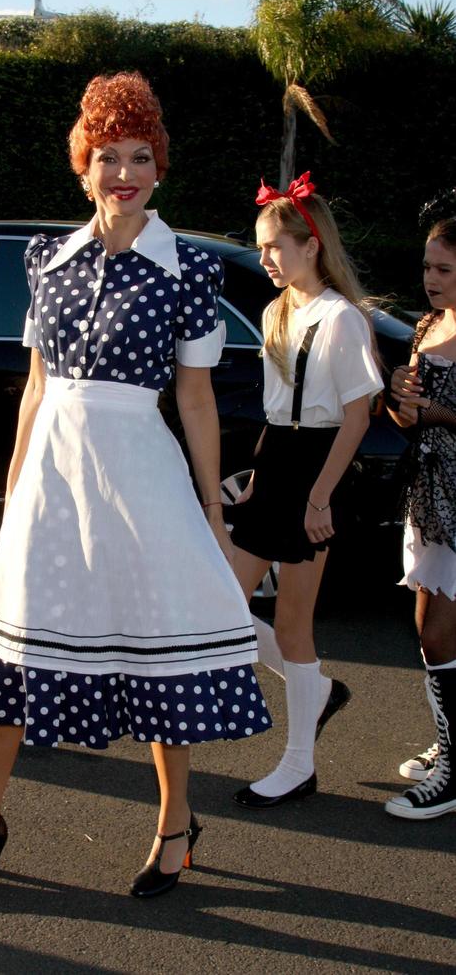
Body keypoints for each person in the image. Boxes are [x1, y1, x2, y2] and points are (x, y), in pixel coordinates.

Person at [0, 71, 270, 897]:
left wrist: (212, 507)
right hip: (52, 484)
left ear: (160, 168)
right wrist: (14, 493)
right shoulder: (47, 261)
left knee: (155, 657)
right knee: (14, 653)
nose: (124, 172)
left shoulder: (188, 272)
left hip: (140, 478)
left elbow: (196, 396)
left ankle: (176, 823)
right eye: (108, 155)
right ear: (83, 165)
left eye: (140, 156)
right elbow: (36, 387)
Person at [226, 172, 383, 808]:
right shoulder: (275, 310)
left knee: (294, 624)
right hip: (279, 461)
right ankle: (313, 689)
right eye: (262, 248)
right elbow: (277, 413)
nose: (264, 259)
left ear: (310, 245)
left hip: (319, 470)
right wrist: (259, 474)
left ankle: (299, 763)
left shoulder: (343, 320)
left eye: (273, 247)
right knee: (223, 605)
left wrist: (319, 498)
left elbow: (357, 418)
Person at [383, 215, 456, 821]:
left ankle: (454, 769)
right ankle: (452, 740)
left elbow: (440, 414)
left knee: (437, 630)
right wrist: (400, 400)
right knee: (432, 627)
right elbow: (405, 420)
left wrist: (431, 408)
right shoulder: (428, 325)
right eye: (428, 266)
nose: (429, 279)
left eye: (443, 269)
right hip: (429, 495)